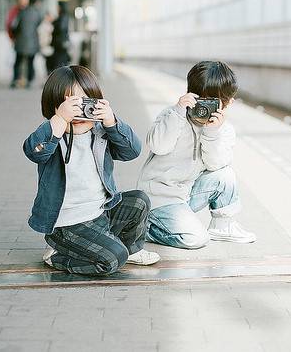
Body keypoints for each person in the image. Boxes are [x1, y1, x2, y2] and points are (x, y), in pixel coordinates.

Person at [23, 65, 160, 275]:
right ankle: (59, 256)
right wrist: (59, 120)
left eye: (83, 103)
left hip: (100, 214)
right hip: (68, 225)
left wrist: (112, 122)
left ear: (95, 102)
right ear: (54, 106)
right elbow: (35, 152)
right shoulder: (52, 134)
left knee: (139, 201)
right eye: (70, 105)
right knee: (113, 260)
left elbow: (132, 151)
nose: (78, 113)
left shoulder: (101, 132)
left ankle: (130, 250)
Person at [138, 60, 256, 249]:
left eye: (212, 102)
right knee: (196, 239)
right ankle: (144, 227)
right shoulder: (172, 115)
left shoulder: (223, 130)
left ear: (228, 103)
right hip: (161, 198)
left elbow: (215, 165)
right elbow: (158, 146)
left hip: (188, 194)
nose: (205, 108)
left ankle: (222, 227)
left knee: (225, 175)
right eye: (202, 100)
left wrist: (211, 133)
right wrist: (177, 112)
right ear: (191, 94)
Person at [9, 0, 42, 89]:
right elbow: (38, 25)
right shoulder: (37, 13)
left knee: (18, 62)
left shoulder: (21, 12)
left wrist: (15, 36)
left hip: (20, 42)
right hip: (33, 42)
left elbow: (14, 26)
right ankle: (29, 81)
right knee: (30, 63)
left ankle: (16, 80)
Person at [50, 1, 71, 70]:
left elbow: (61, 28)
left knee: (59, 61)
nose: (57, 8)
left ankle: (61, 77)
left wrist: (54, 22)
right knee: (60, 60)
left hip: (60, 43)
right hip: (61, 43)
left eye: (58, 7)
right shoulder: (63, 16)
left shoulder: (63, 17)